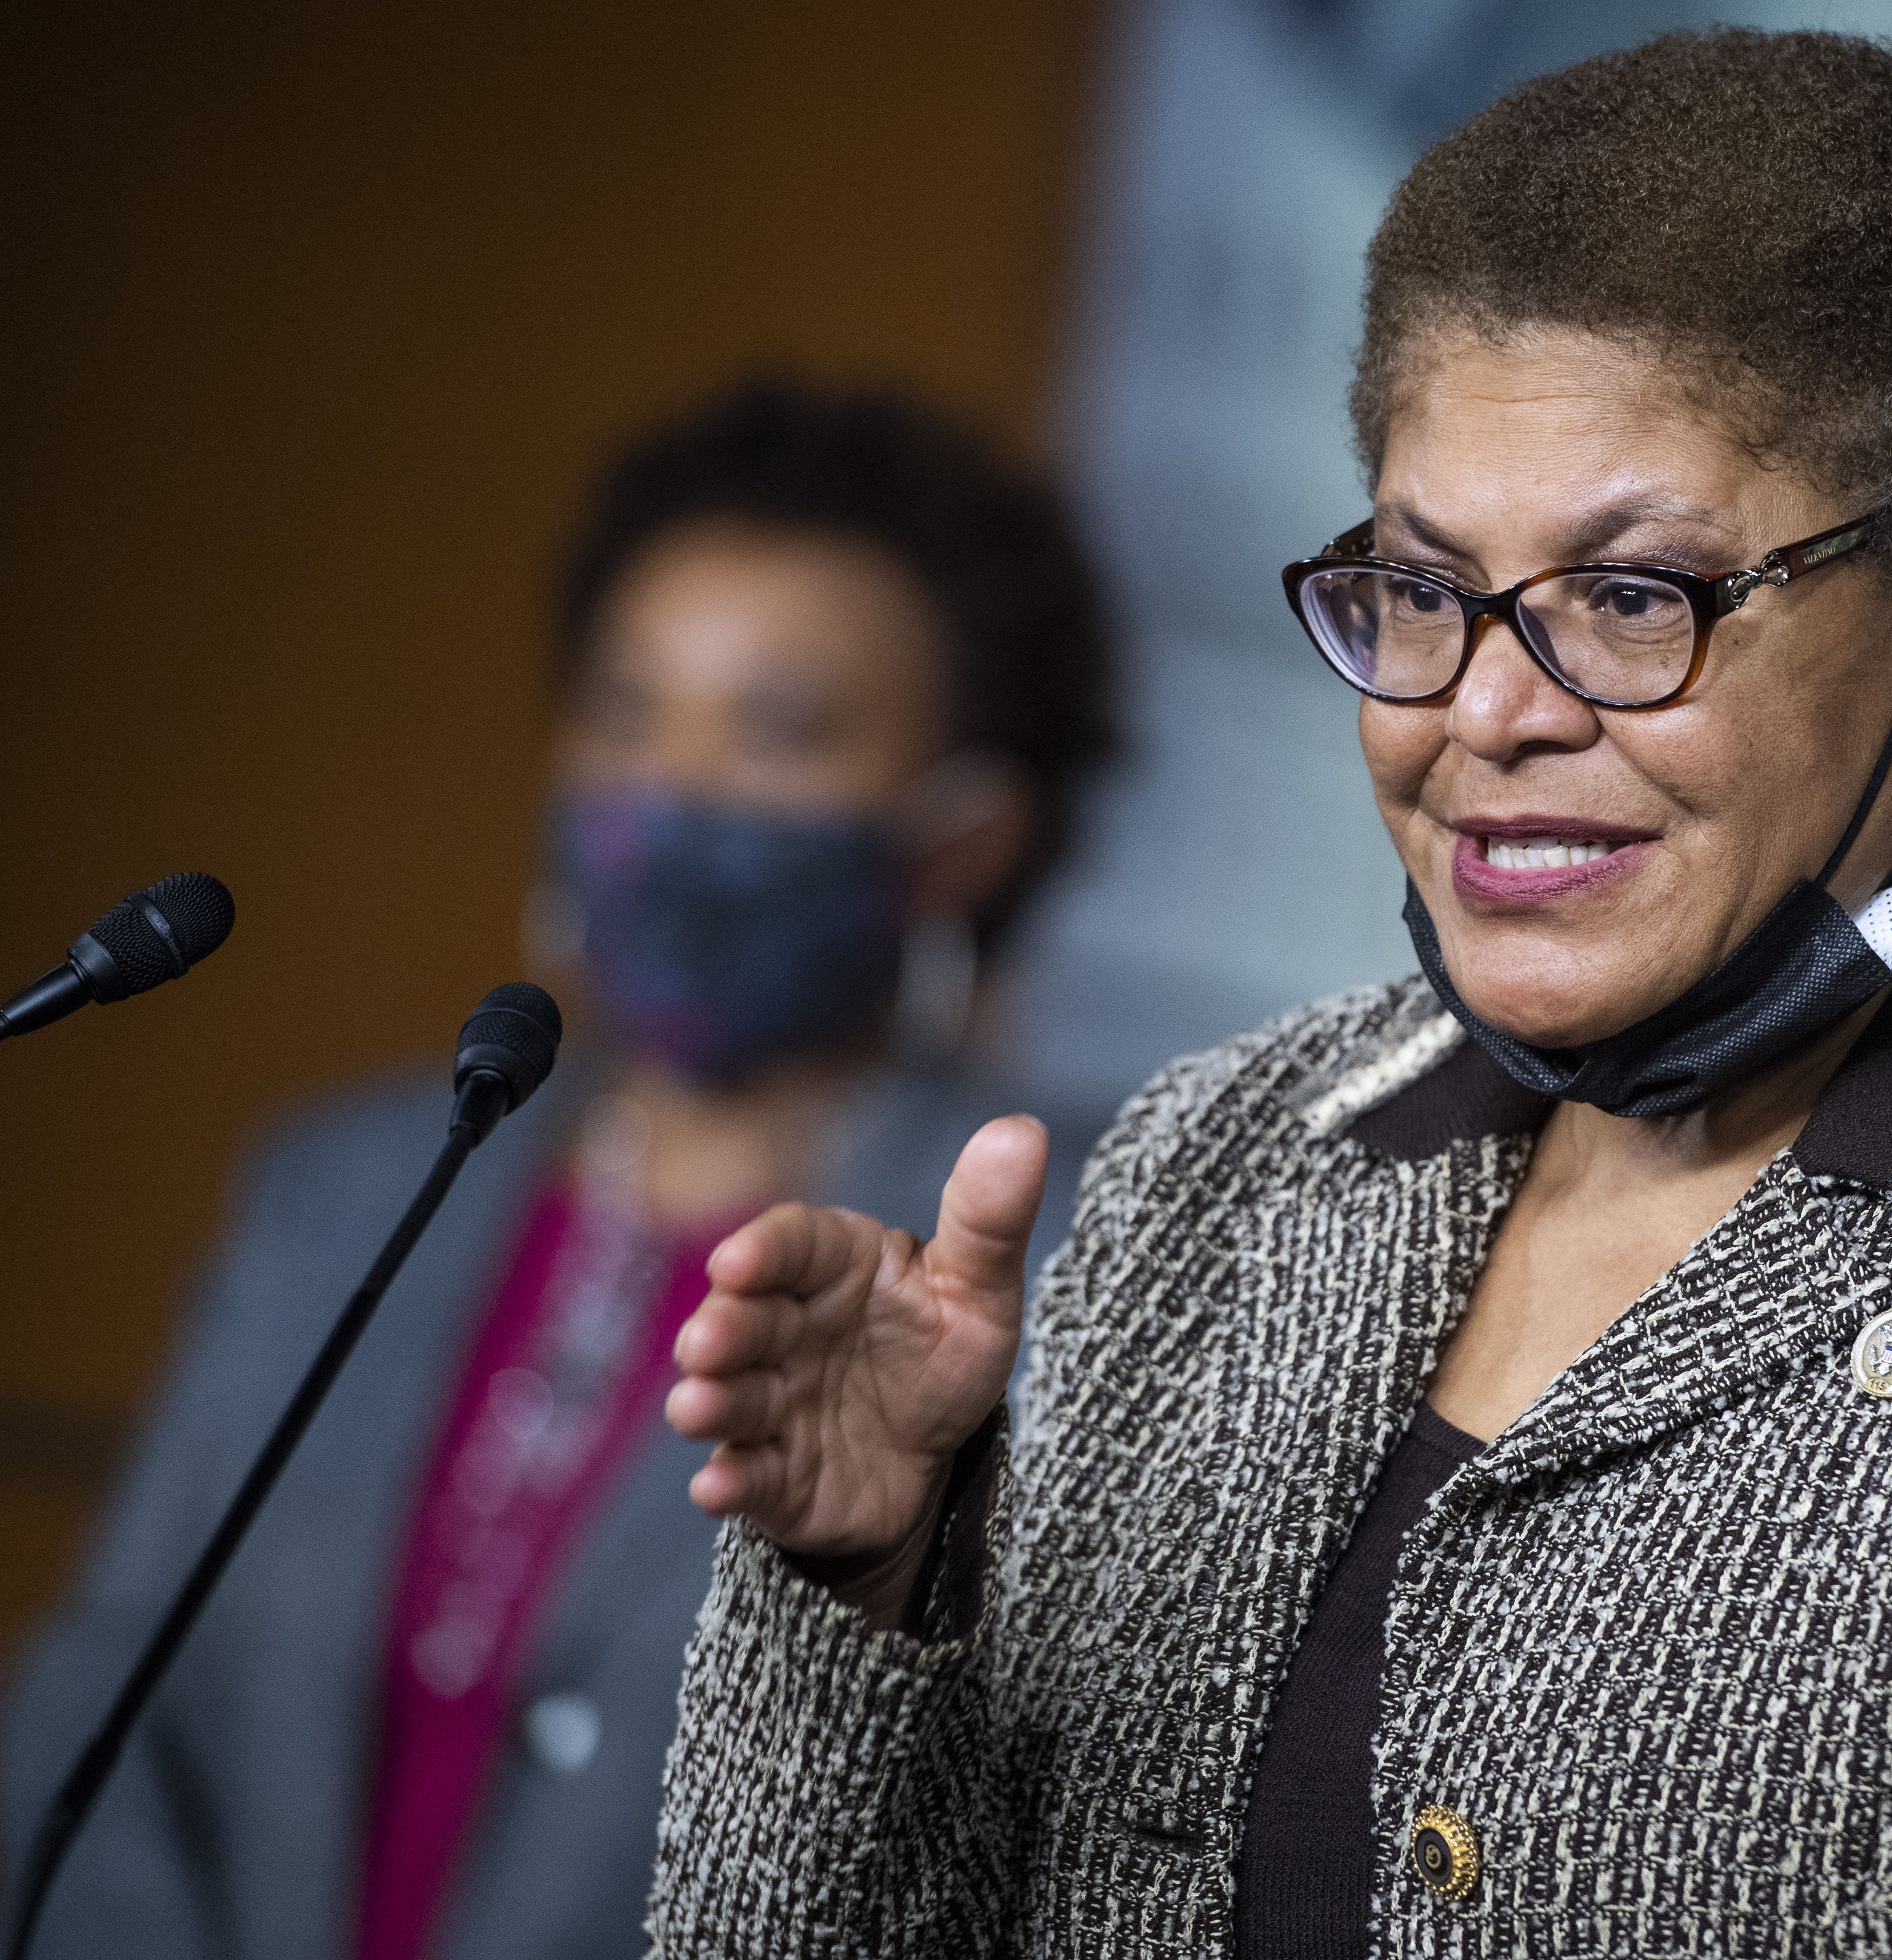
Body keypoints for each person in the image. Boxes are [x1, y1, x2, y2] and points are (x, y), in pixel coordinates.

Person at [649, 33, 1892, 1959]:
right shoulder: (1218, 1156)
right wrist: (874, 1590)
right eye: (1418, 588)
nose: (1483, 712)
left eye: (1635, 599)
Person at [1, 379, 1117, 1960]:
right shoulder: (341, 1183)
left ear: (967, 836)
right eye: (623, 707)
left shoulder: (1066, 1258)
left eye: (779, 730)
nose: (670, 787)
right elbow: (98, 1704)